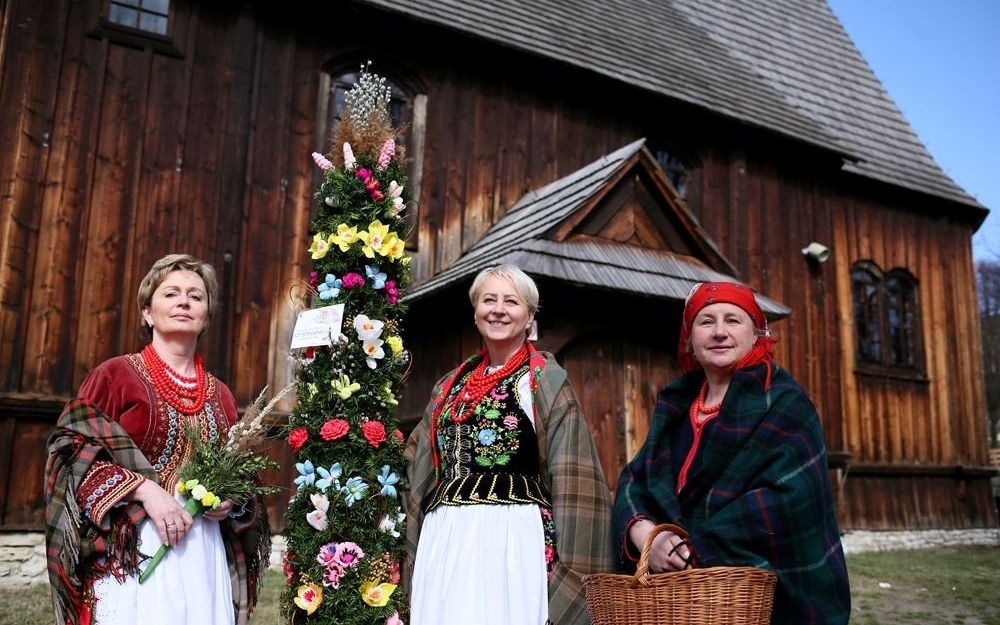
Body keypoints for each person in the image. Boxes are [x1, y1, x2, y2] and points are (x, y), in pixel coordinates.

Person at [44, 254, 269, 625]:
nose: (184, 301)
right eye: (171, 293)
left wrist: (229, 501)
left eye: (196, 296)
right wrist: (146, 492)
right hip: (131, 548)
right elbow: (71, 452)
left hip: (204, 551)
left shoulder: (222, 394)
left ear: (207, 316)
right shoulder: (115, 375)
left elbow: (240, 474)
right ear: (147, 312)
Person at [612, 281, 851, 625]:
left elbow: (790, 499)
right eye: (706, 322)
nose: (719, 332)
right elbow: (635, 480)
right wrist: (648, 535)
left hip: (752, 595)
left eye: (733, 320)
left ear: (757, 334)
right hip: (677, 596)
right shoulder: (676, 406)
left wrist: (693, 546)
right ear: (690, 340)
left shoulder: (784, 403)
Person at [405, 264, 614, 625]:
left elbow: (573, 474)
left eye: (511, 302)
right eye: (489, 300)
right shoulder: (449, 386)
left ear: (529, 315)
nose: (498, 309)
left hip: (511, 542)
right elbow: (416, 459)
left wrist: (572, 569)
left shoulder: (542, 380)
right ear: (475, 312)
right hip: (443, 541)